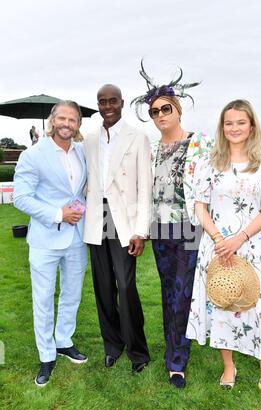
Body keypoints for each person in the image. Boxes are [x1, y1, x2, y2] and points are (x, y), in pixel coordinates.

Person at [186, 99, 261, 409]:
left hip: (253, 246)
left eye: (240, 122)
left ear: (252, 126)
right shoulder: (209, 162)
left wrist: (240, 238)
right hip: (217, 246)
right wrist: (221, 238)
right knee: (224, 301)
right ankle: (229, 367)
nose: (234, 128)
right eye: (228, 122)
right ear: (222, 127)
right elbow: (199, 207)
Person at [131, 61, 212, 388]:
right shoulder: (152, 150)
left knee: (183, 295)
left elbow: (211, 185)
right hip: (161, 232)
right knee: (170, 294)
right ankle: (176, 348)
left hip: (190, 230)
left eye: (166, 109)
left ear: (178, 111)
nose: (160, 115)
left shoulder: (199, 143)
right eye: (154, 112)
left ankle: (176, 361)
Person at [14, 101, 88, 387]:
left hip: (77, 237)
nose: (67, 123)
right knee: (43, 299)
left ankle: (63, 340)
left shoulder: (82, 152)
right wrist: (58, 214)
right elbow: (21, 197)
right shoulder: (33, 155)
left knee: (72, 294)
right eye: (62, 118)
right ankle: (46, 355)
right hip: (45, 238)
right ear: (52, 121)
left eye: (72, 119)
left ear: (78, 124)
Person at [84, 84, 151, 374]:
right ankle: (112, 346)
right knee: (102, 287)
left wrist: (141, 231)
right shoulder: (88, 139)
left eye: (112, 101)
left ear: (121, 103)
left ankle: (138, 350)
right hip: (96, 217)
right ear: (97, 105)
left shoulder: (138, 137)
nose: (107, 106)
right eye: (102, 102)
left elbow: (145, 187)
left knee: (125, 285)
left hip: (124, 219)